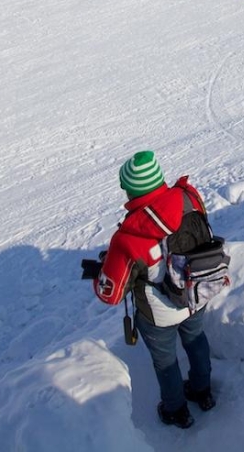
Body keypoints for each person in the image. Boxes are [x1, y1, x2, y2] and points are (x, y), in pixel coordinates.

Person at [94, 151, 218, 429]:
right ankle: (203, 392)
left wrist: (101, 271)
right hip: (197, 291)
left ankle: (176, 411)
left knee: (166, 361)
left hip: (159, 315)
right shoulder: (189, 197)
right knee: (196, 340)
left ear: (131, 189)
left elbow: (110, 294)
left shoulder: (129, 235)